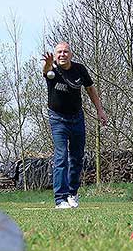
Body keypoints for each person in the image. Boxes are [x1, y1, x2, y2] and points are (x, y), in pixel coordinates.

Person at [42, 42, 107, 209]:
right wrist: (48, 64)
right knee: (61, 156)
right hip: (57, 119)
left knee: (77, 157)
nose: (62, 54)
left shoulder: (80, 70)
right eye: (59, 52)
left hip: (77, 118)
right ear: (55, 55)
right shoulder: (52, 70)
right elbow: (46, 72)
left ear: (71, 54)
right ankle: (60, 199)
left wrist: (100, 110)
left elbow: (91, 90)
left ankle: (72, 193)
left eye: (66, 52)